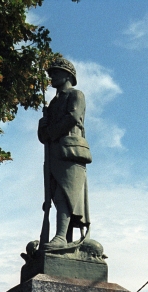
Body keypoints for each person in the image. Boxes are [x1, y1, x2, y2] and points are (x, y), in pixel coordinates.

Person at [38, 57, 91, 249]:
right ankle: (62, 238)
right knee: (55, 195)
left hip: (70, 151)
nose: (51, 76)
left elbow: (73, 117)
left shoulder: (76, 95)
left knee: (66, 194)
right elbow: (44, 137)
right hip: (54, 153)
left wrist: (50, 131)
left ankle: (61, 236)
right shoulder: (52, 104)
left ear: (68, 75)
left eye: (56, 72)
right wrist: (42, 126)